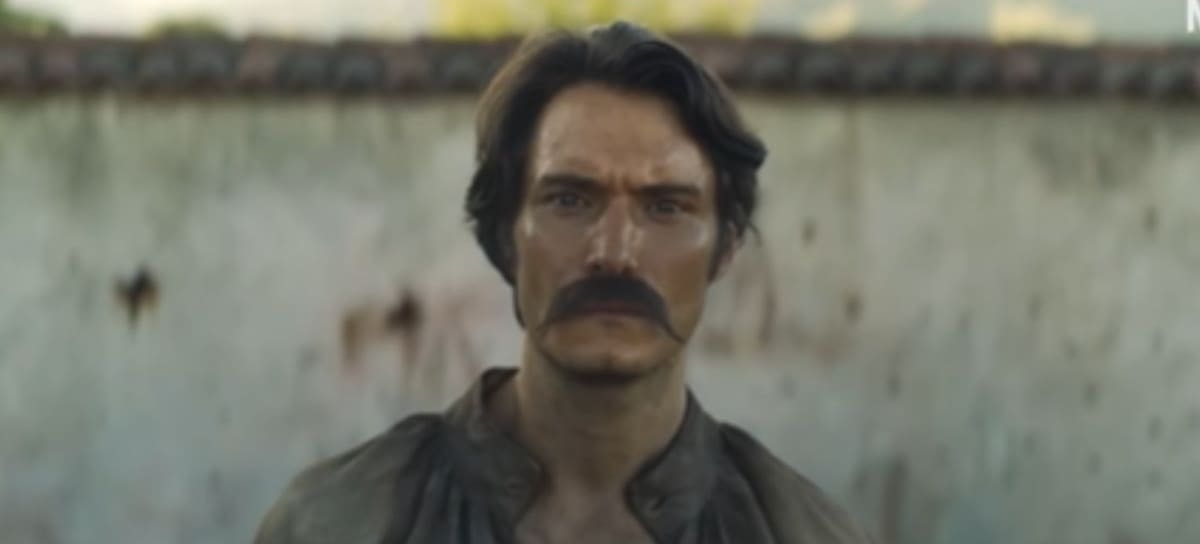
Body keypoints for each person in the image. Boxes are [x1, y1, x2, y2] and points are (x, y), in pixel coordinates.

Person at [255, 21, 873, 544]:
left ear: (726, 246)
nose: (614, 253)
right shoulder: (337, 523)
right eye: (570, 200)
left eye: (666, 207)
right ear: (505, 234)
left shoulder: (804, 533)